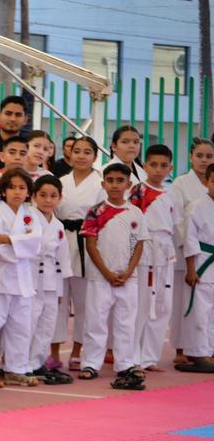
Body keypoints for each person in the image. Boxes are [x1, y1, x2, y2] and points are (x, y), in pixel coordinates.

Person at [78, 162, 148, 389]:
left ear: (129, 184)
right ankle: (90, 363)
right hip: (101, 277)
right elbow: (90, 245)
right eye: (111, 180)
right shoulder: (95, 211)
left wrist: (128, 272)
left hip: (128, 278)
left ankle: (125, 363)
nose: (115, 185)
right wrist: (107, 273)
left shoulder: (136, 212)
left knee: (126, 322)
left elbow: (138, 245)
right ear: (103, 183)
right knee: (95, 321)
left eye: (120, 181)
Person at [0, 168, 42, 388]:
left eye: (22, 188)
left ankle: (17, 368)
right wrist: (18, 241)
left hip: (23, 277)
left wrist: (7, 239)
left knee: (21, 325)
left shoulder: (31, 214)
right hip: (1, 275)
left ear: (28, 192)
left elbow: (35, 244)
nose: (17, 192)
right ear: (3, 191)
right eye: (12, 187)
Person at [55, 135, 105, 372]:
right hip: (61, 241)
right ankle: (53, 351)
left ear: (95, 157)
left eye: (87, 152)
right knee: (58, 300)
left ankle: (78, 349)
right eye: (77, 151)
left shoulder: (101, 184)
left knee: (85, 302)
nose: (81, 156)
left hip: (87, 243)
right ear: (69, 154)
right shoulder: (60, 181)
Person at [130, 144, 182, 372]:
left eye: (163, 166)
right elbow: (131, 223)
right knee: (142, 304)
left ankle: (150, 357)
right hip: (145, 249)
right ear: (145, 165)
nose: (158, 170)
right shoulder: (138, 191)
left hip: (165, 251)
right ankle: (133, 357)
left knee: (163, 305)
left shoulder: (172, 194)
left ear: (171, 168)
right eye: (153, 165)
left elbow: (176, 224)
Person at [172, 138, 214, 368]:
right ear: (191, 156)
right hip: (193, 255)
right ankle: (190, 350)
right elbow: (181, 222)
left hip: (206, 258)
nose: (204, 160)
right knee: (192, 307)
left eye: (209, 156)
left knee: (207, 310)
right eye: (200, 155)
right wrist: (190, 260)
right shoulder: (182, 184)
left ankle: (207, 349)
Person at [28, 174, 74, 383]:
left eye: (53, 196)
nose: (48, 200)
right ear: (34, 197)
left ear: (60, 198)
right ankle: (22, 364)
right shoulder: (27, 217)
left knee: (47, 324)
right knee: (29, 322)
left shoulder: (58, 225)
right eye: (43, 195)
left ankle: (38, 363)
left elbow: (63, 258)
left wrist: (60, 290)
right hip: (31, 277)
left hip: (52, 280)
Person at [0, 95, 28, 175]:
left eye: (18, 115)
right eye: (8, 114)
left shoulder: (30, 149)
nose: (12, 119)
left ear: (25, 120)